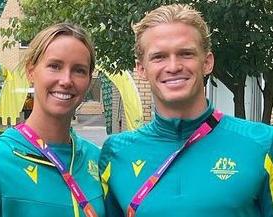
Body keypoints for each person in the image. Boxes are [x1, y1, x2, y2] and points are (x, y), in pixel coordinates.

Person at [99, 4, 273, 217]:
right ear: (141, 69)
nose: (173, 66)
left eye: (186, 53)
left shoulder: (262, 143)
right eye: (159, 57)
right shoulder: (116, 153)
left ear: (207, 62)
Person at [0, 23, 105, 217]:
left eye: (79, 70)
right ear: (31, 71)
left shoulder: (97, 159)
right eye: (54, 66)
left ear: (89, 80)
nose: (66, 80)